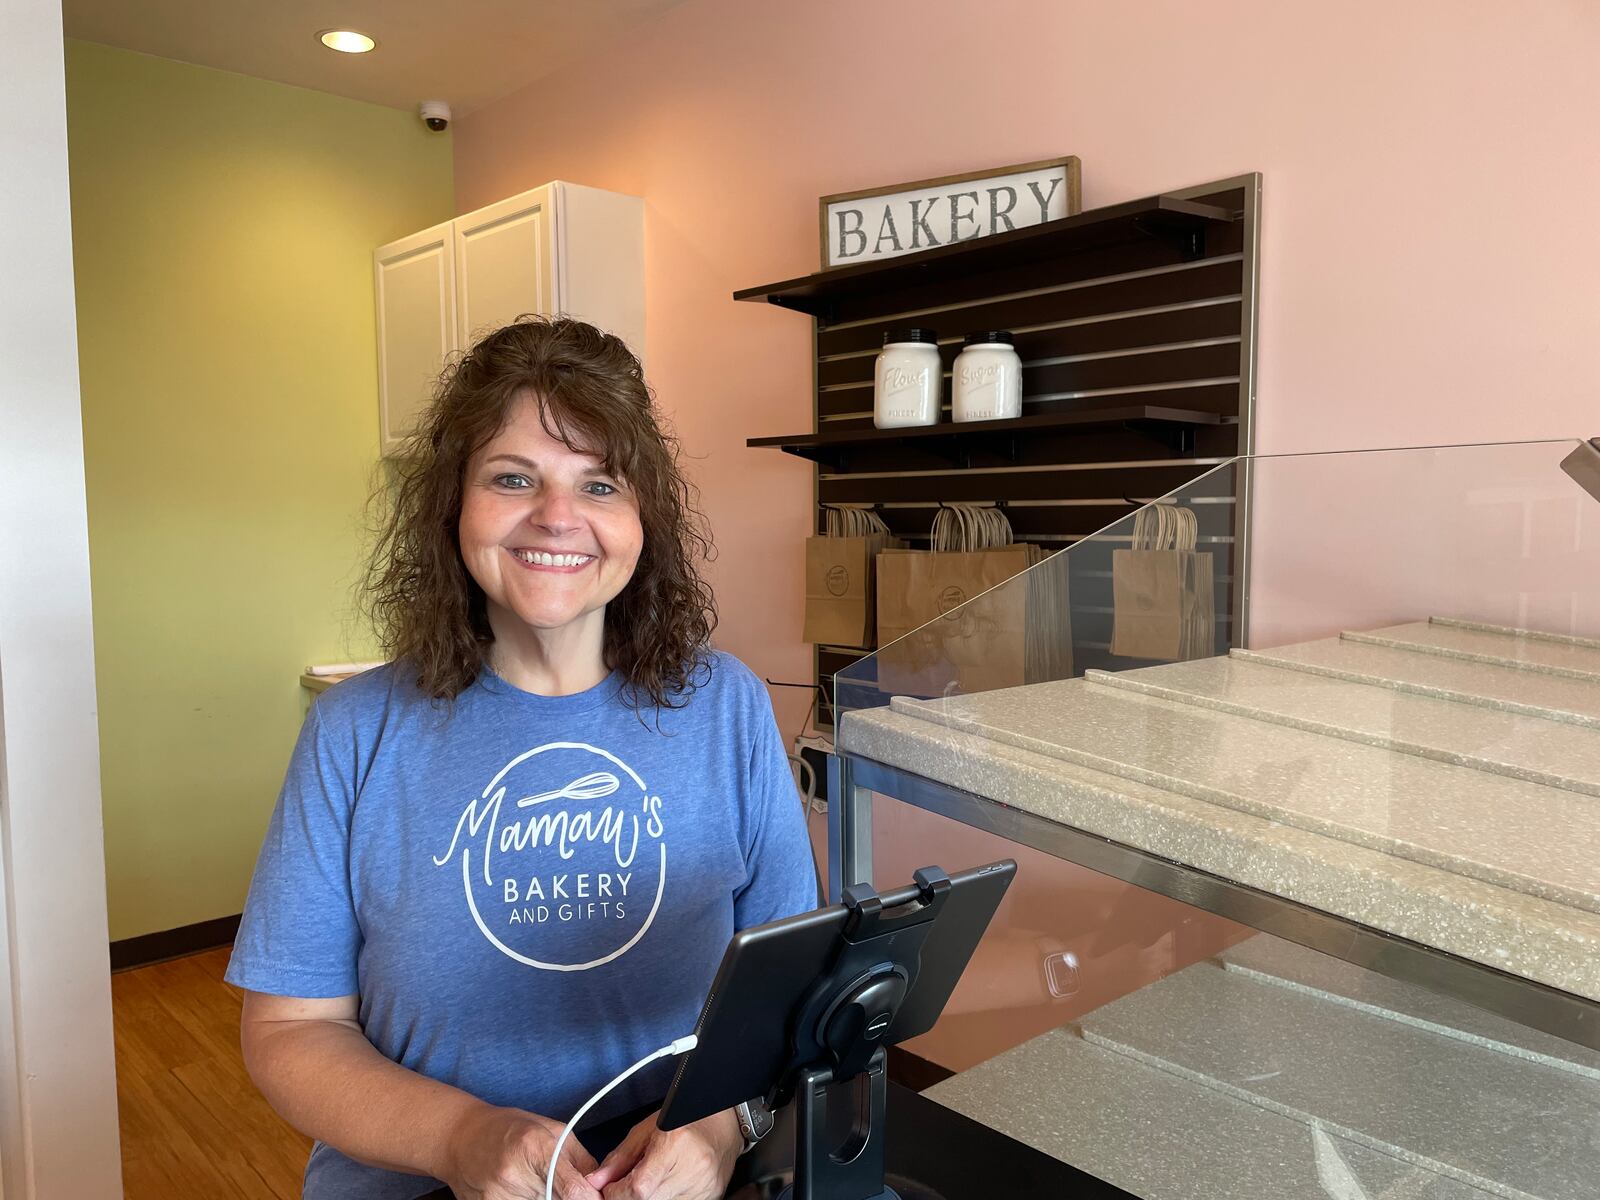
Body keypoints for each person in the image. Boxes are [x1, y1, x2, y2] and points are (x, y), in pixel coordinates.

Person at [227, 316, 819, 1200]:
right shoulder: (353, 732)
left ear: (641, 518)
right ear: (453, 506)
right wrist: (460, 1137)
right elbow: (289, 1033)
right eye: (513, 478)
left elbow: (786, 984)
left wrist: (718, 1129)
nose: (557, 517)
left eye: (600, 484)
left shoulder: (724, 704)